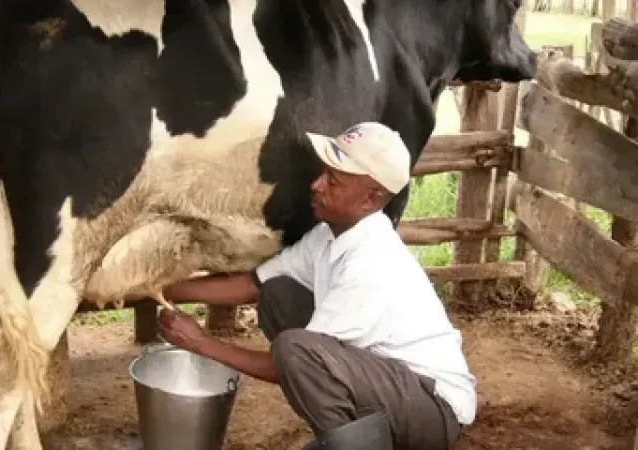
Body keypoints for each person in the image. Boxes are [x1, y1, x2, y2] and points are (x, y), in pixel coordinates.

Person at [156, 122, 477, 450]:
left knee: (294, 351)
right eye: (323, 173)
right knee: (277, 292)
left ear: (371, 198)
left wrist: (201, 343)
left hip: (431, 410)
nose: (316, 185)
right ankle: (349, 436)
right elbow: (253, 283)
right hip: (389, 382)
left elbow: (293, 363)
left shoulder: (370, 263)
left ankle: (358, 445)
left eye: (333, 181)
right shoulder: (329, 235)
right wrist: (159, 287)